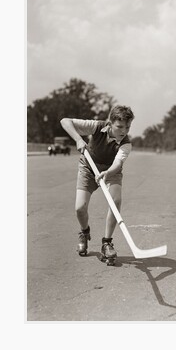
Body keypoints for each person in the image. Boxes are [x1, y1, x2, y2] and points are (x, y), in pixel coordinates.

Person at [60, 105, 135, 264]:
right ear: (110, 123)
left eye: (127, 127)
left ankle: (107, 243)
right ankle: (84, 232)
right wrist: (79, 139)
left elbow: (117, 163)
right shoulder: (96, 126)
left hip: (111, 171)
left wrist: (107, 173)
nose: (124, 131)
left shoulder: (126, 144)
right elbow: (65, 121)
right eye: (119, 127)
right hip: (88, 167)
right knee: (80, 208)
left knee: (116, 202)